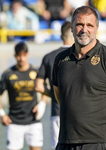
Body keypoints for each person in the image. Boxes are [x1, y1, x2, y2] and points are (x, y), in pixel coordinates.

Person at [51, 5, 106, 150]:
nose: (84, 30)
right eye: (79, 24)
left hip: (99, 142)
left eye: (89, 25)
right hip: (65, 141)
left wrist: (103, 123)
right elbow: (60, 96)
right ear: (71, 27)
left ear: (96, 28)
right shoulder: (60, 60)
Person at [0, 42, 47, 150]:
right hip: (14, 122)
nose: (21, 58)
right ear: (15, 56)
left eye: (24, 55)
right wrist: (2, 114)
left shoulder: (36, 71)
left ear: (27, 55)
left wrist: (42, 104)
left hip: (33, 121)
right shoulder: (8, 74)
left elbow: (44, 90)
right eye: (19, 55)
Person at [35, 21, 74, 149]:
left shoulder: (49, 57)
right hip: (78, 113)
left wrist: (55, 94)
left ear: (61, 36)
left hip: (57, 112)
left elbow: (38, 86)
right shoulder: (80, 56)